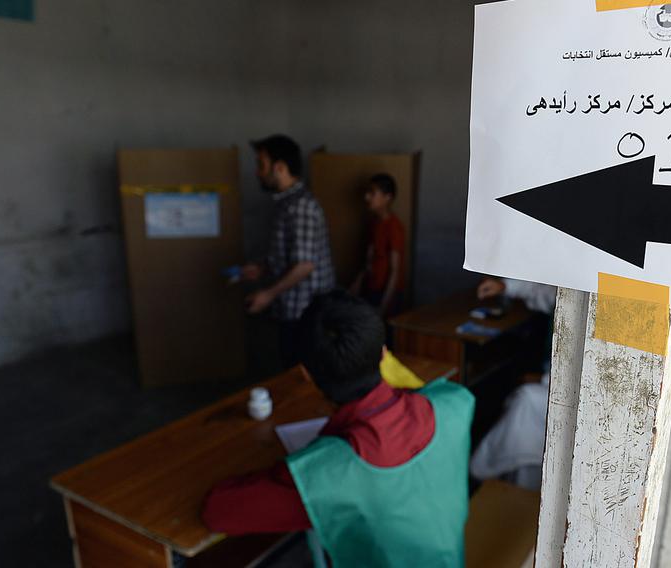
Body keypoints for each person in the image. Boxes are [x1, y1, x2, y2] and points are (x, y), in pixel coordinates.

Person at [202, 291, 475, 567]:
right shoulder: (455, 403)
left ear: (306, 373)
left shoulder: (329, 475)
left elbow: (219, 512)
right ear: (383, 355)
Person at [241, 135, 335, 368]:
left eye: (261, 165)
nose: (257, 172)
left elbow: (304, 265)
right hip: (293, 306)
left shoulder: (300, 206)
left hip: (306, 310)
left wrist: (268, 294)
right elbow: (290, 254)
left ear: (280, 167)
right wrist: (263, 267)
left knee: (301, 373)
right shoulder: (286, 203)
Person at [470, 277, 556, 489]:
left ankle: (479, 471)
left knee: (525, 401)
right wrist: (506, 286)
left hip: (564, 393)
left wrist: (546, 381)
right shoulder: (576, 289)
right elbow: (543, 292)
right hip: (550, 379)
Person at [351, 174, 405, 318]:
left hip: (387, 294)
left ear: (387, 197)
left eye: (372, 193)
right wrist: (359, 281)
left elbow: (395, 270)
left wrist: (384, 305)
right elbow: (370, 258)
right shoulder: (375, 223)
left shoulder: (394, 227)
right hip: (371, 289)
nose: (367, 197)